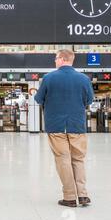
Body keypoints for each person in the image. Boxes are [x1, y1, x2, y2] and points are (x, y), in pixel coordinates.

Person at [34, 49, 94, 208]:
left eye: (55, 58)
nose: (55, 61)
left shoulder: (49, 78)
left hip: (56, 126)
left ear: (61, 59)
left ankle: (69, 197)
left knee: (63, 160)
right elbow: (89, 100)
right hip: (77, 125)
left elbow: (38, 99)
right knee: (78, 159)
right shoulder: (83, 79)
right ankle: (82, 194)